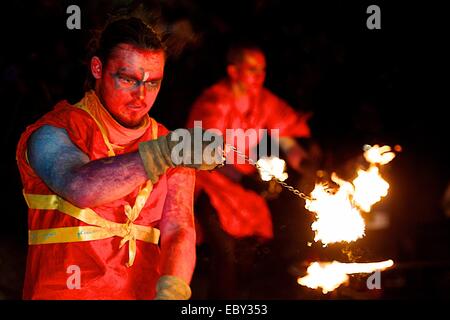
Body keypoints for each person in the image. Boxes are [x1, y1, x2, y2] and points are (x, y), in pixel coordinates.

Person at [16, 16, 220, 300]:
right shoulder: (53, 131)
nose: (141, 95)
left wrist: (173, 288)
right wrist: (163, 153)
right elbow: (79, 187)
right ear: (98, 68)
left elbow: (179, 228)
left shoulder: (168, 142)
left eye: (153, 83)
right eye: (128, 79)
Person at [187, 43, 314, 299]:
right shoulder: (214, 101)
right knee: (226, 254)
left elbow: (287, 140)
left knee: (252, 251)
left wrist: (308, 165)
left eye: (263, 70)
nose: (259, 76)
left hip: (241, 187)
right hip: (207, 183)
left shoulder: (262, 100)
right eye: (252, 69)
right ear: (233, 72)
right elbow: (203, 150)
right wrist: (243, 179)